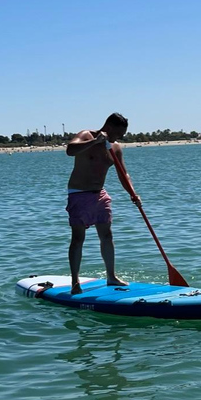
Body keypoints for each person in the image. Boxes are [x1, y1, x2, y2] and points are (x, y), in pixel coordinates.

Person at [65, 113, 140, 295]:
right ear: (109, 127)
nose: (119, 137)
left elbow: (124, 174)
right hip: (79, 194)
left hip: (100, 194)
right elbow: (70, 150)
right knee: (78, 238)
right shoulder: (86, 135)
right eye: (119, 133)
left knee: (107, 235)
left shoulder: (115, 147)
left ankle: (111, 276)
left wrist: (133, 194)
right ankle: (75, 281)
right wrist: (95, 142)